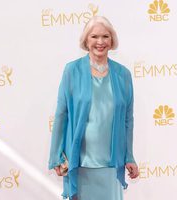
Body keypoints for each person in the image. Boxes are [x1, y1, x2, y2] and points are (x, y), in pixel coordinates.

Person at [49, 16, 139, 200]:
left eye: (105, 36)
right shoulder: (72, 71)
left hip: (112, 164)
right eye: (94, 37)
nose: (100, 42)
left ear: (112, 40)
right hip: (80, 162)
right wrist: (56, 155)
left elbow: (128, 120)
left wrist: (129, 156)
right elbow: (61, 114)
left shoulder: (123, 75)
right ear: (86, 40)